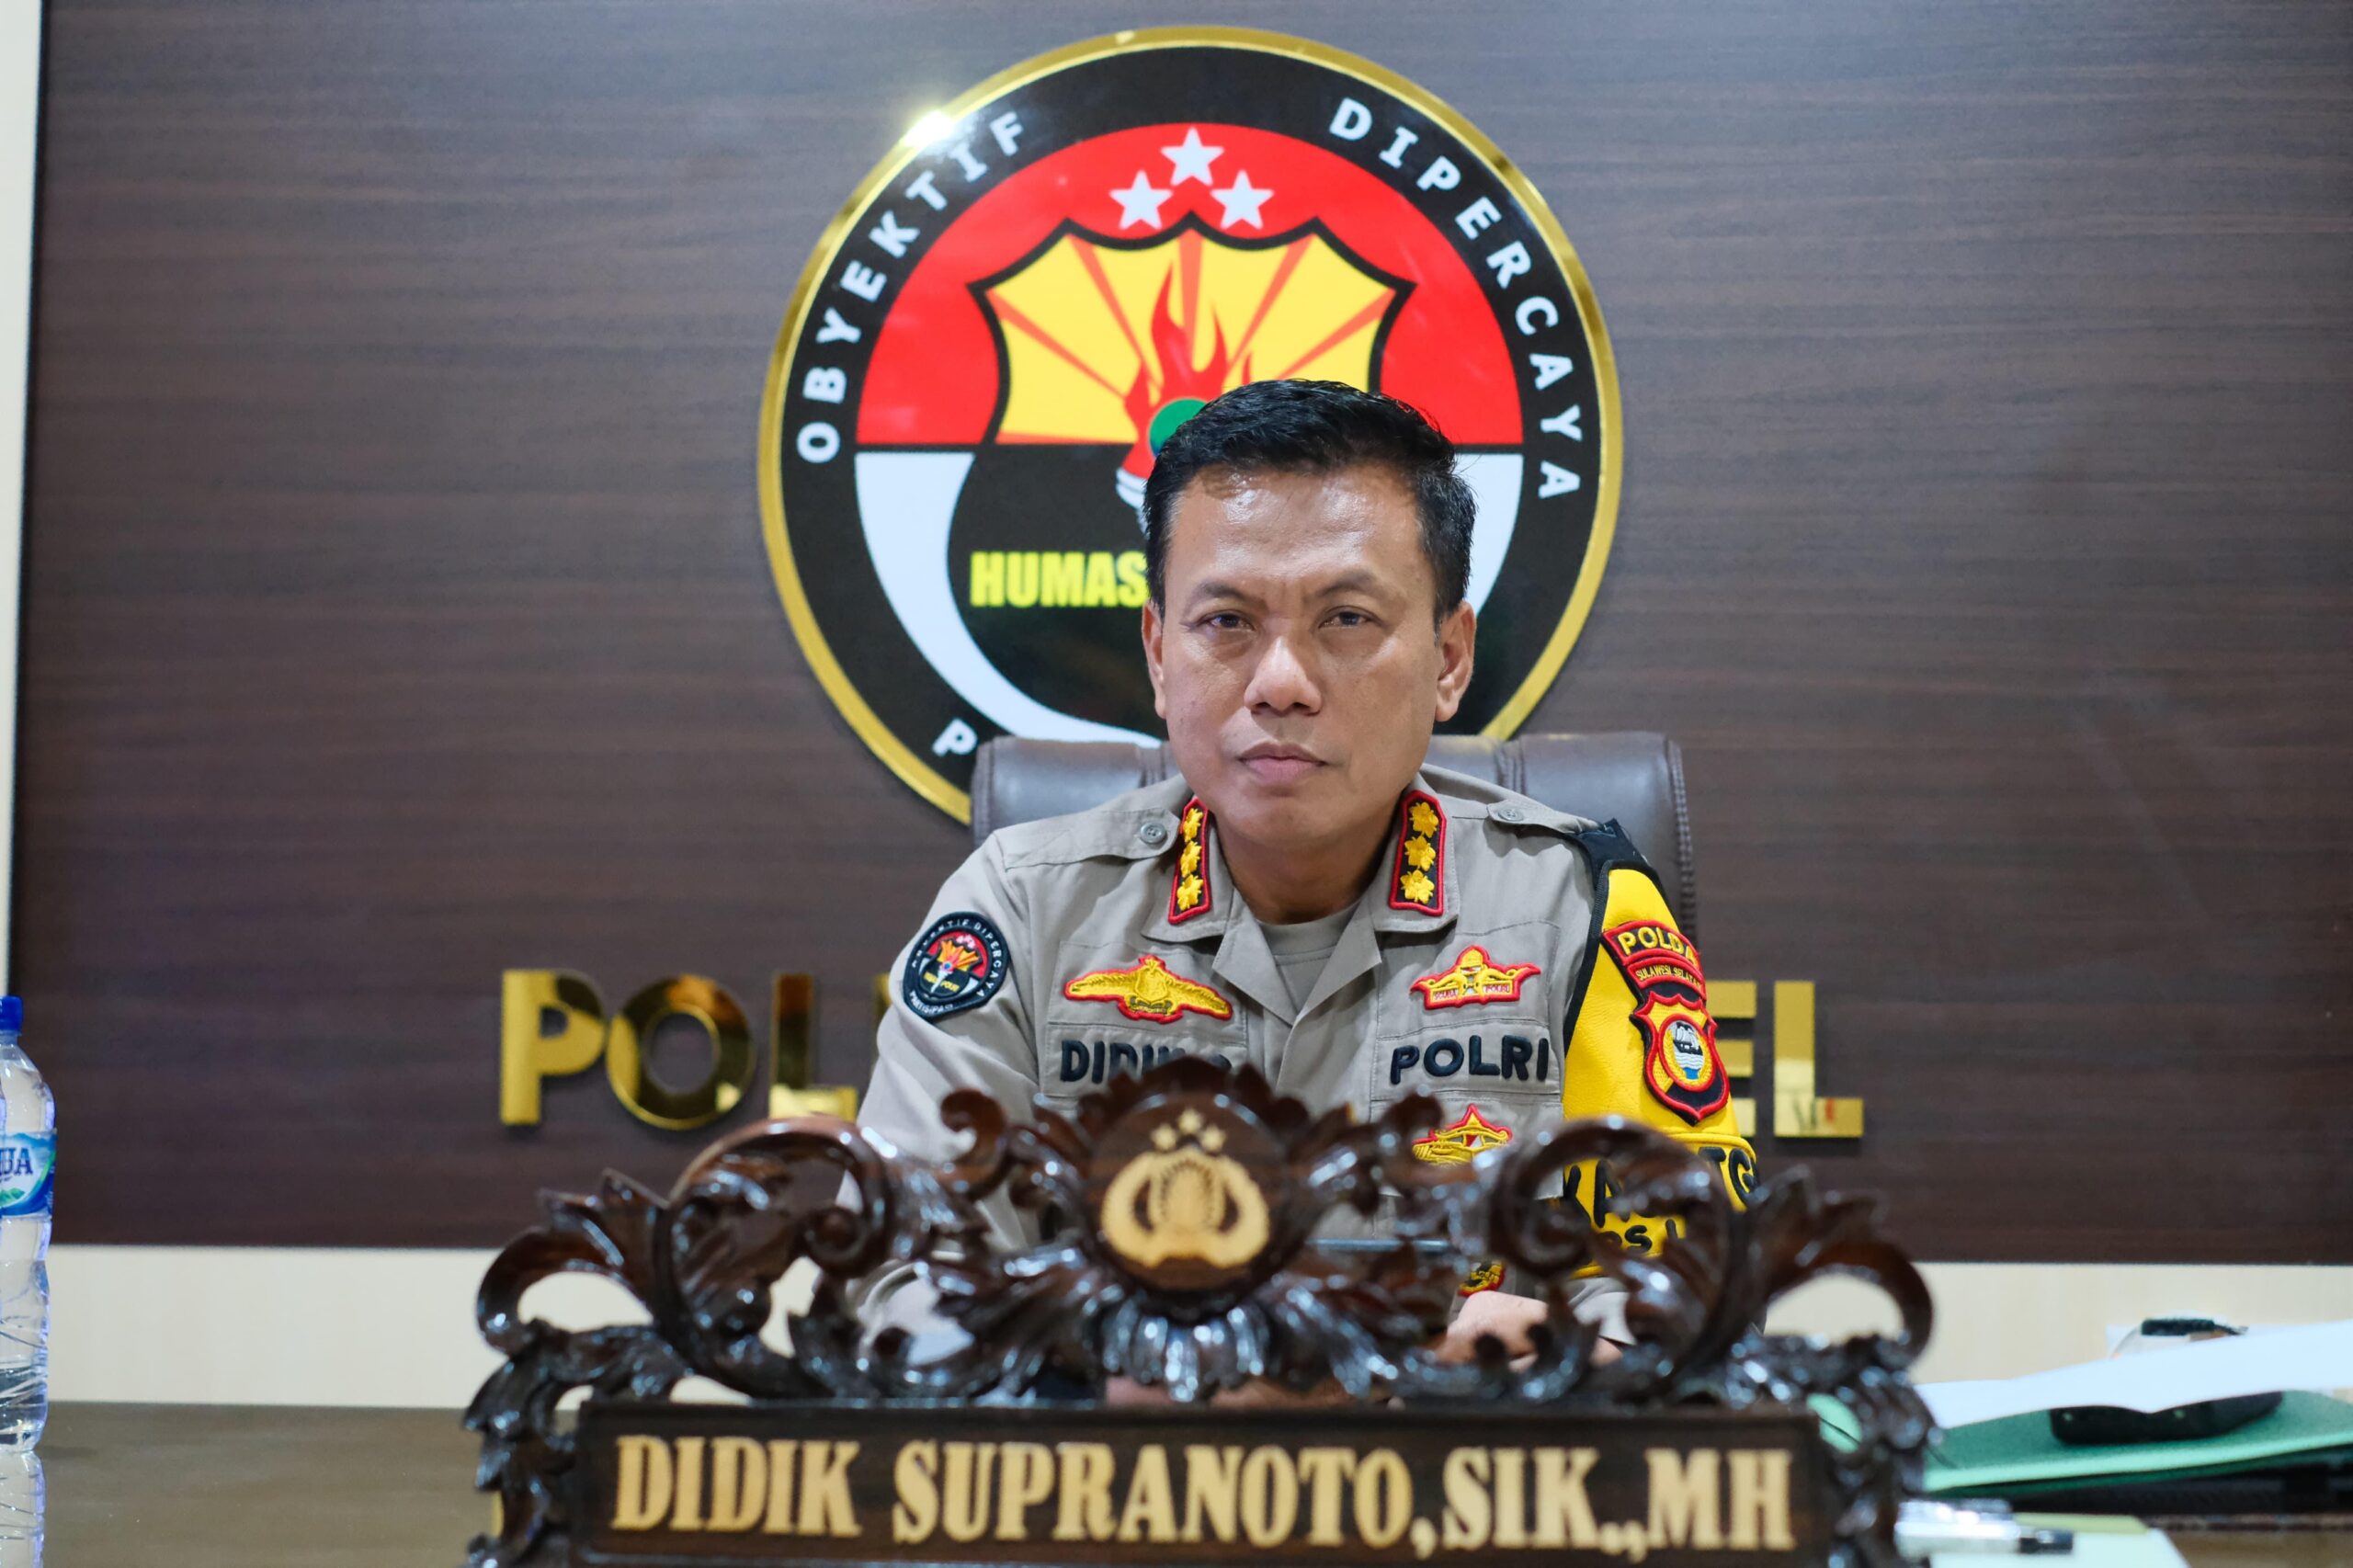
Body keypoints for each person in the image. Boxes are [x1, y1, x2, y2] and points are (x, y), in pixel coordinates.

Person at [855, 379, 1756, 1377]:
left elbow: (1686, 1292)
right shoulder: (1021, 910)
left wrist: (1551, 1352)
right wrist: (1146, 1373)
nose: (1280, 681)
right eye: (1227, 621)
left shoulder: (1574, 906)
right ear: (1158, 652)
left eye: (1347, 618)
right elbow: (908, 1284)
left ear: (1449, 657)